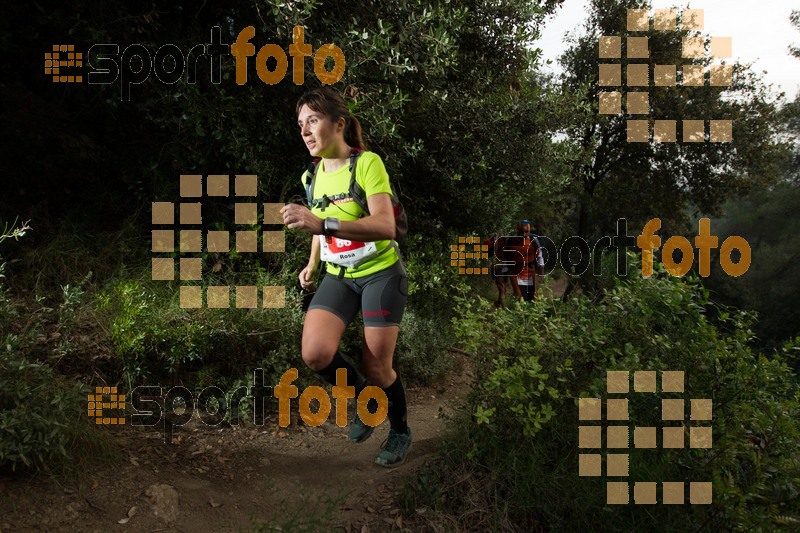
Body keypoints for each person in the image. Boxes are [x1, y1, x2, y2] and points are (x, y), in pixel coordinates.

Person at [280, 87, 411, 467]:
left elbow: (386, 225)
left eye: (313, 121)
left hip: (381, 275)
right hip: (340, 276)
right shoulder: (312, 175)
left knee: (377, 367)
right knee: (316, 354)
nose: (305, 130)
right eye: (301, 124)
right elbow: (321, 230)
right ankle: (366, 401)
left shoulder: (367, 164)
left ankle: (400, 430)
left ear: (339, 124)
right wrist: (313, 263)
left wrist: (323, 222)